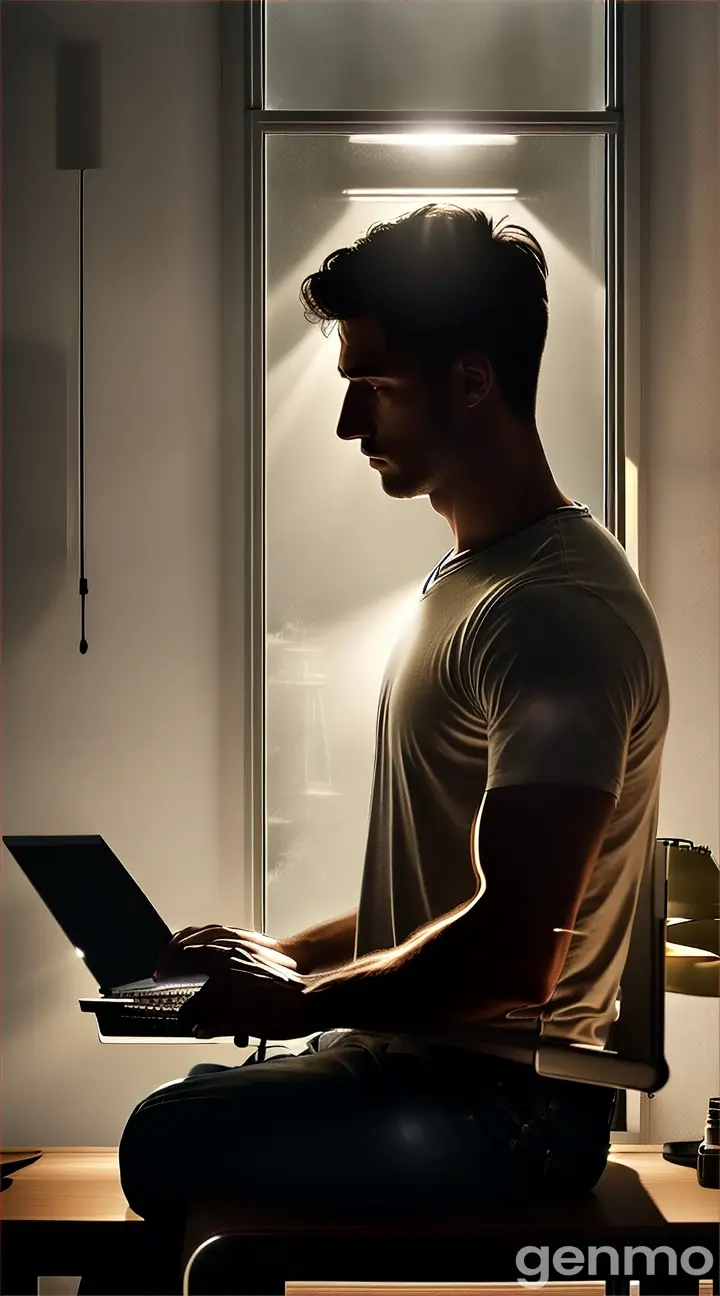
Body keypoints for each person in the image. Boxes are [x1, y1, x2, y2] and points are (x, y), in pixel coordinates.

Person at [83, 206, 670, 1290]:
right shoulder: (472, 585)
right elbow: (447, 888)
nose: (352, 424)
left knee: (160, 1137)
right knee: (189, 1128)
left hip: (509, 1109)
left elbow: (509, 952)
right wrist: (282, 958)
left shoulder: (553, 614)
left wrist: (299, 1006)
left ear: (472, 381)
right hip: (434, 1066)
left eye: (374, 385)